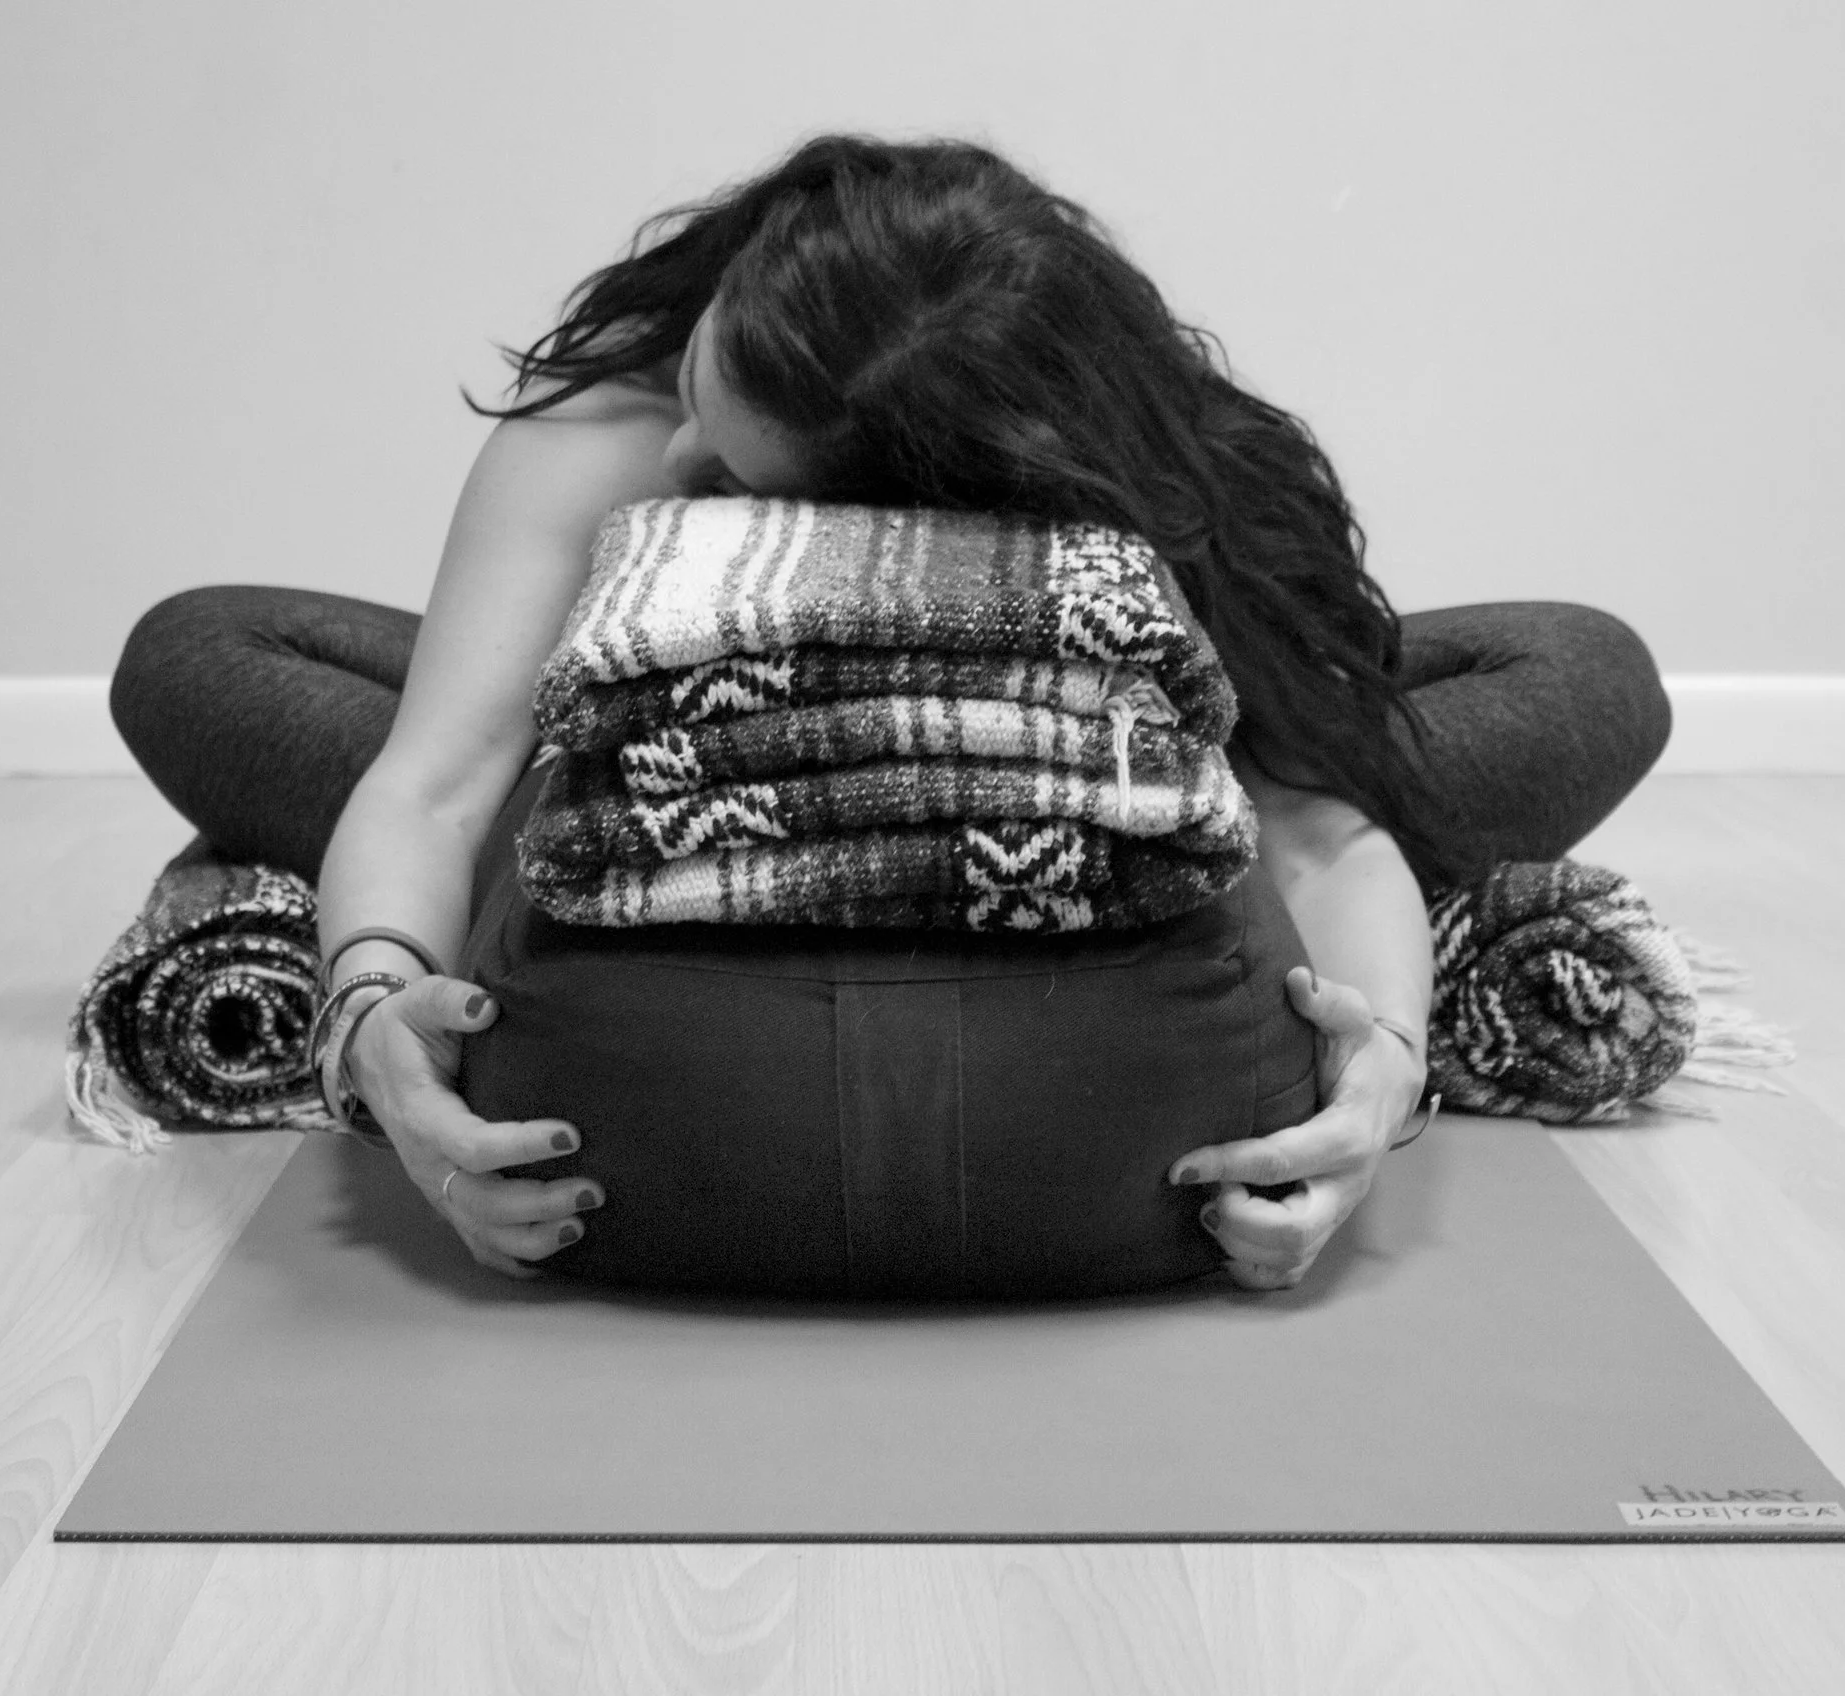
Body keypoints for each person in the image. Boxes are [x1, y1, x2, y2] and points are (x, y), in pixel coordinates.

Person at [111, 135, 1671, 1296]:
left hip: (1045, 766)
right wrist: (373, 1017)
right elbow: (440, 783)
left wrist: (1383, 1070)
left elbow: (1307, 817)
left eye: (733, 474)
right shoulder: (611, 422)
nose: (677, 469)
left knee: (1574, 675)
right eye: (706, 381)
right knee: (205, 656)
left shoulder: (1098, 493)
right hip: (619, 775)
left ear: (921, 506)